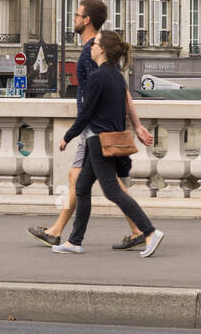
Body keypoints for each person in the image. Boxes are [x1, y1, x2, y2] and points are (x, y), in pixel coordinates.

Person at [28, 0, 154, 251]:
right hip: (101, 127)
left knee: (100, 183)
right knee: (89, 181)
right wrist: (135, 125)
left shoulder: (92, 51)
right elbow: (121, 90)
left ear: (86, 20)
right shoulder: (102, 51)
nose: (73, 19)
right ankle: (67, 235)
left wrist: (74, 132)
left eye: (77, 15)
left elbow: (101, 97)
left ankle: (141, 229)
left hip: (94, 129)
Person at [53, 30, 164, 257]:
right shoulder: (116, 76)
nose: (91, 47)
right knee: (83, 187)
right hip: (111, 139)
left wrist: (68, 136)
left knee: (112, 191)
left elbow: (86, 113)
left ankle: (150, 231)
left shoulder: (97, 77)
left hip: (98, 140)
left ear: (102, 49)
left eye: (94, 44)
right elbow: (120, 110)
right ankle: (74, 241)